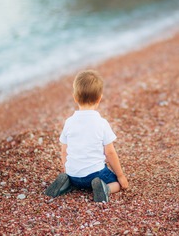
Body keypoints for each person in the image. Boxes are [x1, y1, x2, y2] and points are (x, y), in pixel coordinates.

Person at [45, 70, 129, 202]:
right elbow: (110, 152)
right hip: (95, 175)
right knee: (117, 184)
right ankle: (105, 189)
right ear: (99, 98)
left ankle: (67, 183)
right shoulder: (102, 123)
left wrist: (67, 170)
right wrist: (121, 175)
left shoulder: (69, 122)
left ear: (75, 98)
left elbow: (64, 150)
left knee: (75, 178)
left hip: (73, 173)